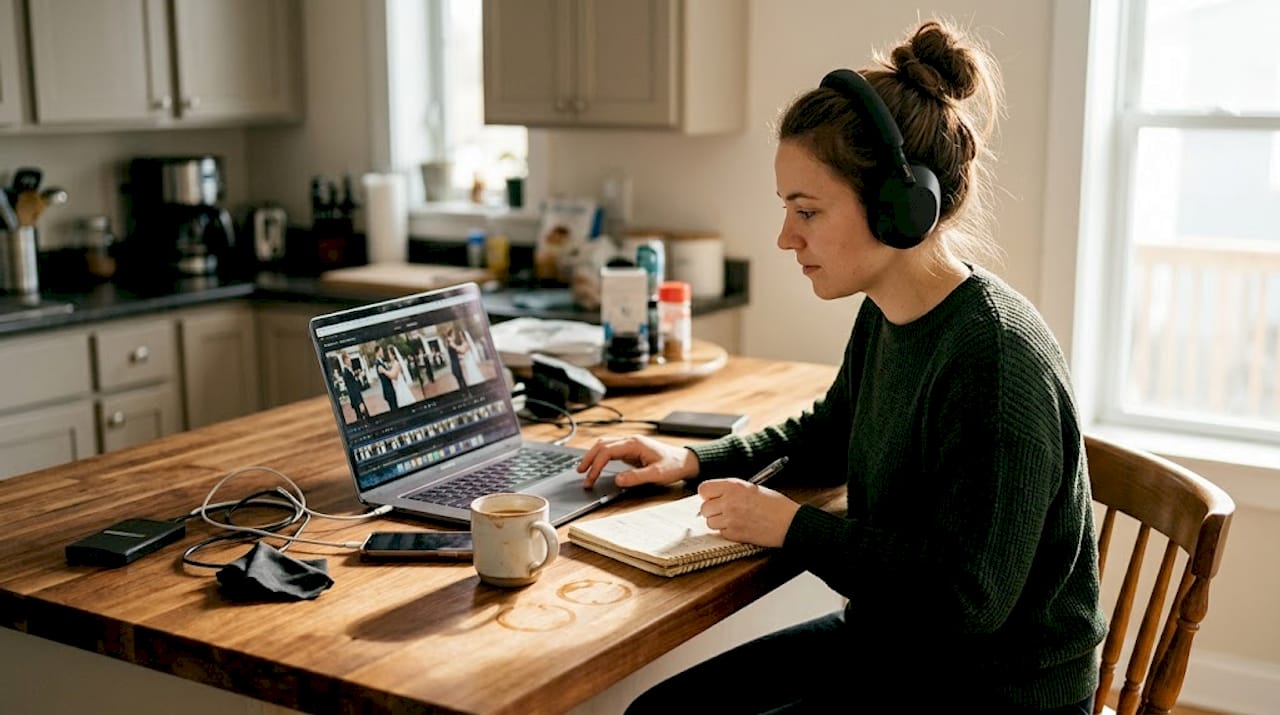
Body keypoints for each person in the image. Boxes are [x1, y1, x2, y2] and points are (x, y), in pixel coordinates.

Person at [577, 18, 1105, 715]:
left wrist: (792, 528)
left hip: (988, 687)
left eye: (808, 210)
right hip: (899, 648)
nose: (785, 236)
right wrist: (692, 460)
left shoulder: (993, 359)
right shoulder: (891, 313)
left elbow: (970, 598)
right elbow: (828, 433)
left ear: (899, 208)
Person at [339, 352, 369, 419]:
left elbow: (354, 384)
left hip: (357, 400)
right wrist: (360, 403)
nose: (350, 359)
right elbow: (352, 389)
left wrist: (357, 377)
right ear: (345, 360)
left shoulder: (349, 371)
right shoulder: (346, 373)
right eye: (349, 357)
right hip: (357, 401)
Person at [374, 345, 398, 411]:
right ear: (378, 352)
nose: (383, 353)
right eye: (381, 351)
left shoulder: (381, 362)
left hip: (390, 389)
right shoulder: (378, 364)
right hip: (388, 390)